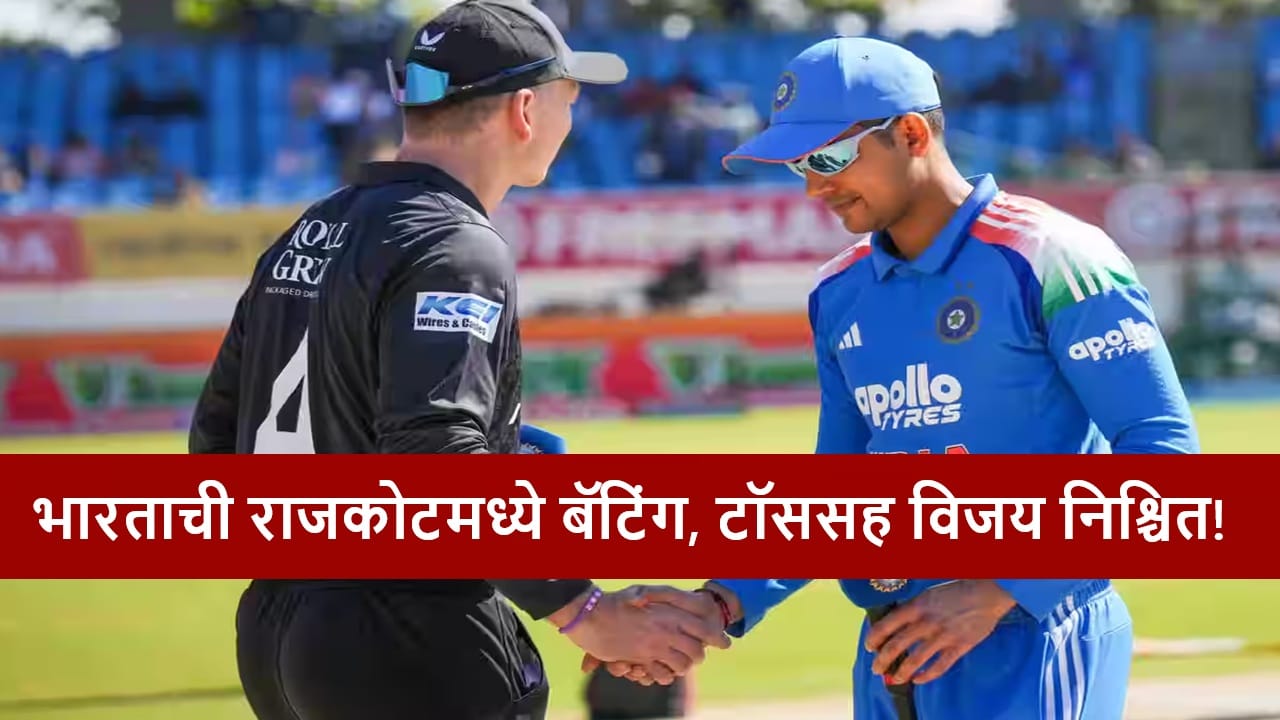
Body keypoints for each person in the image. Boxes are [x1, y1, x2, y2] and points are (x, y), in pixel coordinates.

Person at [585, 36, 1201, 720]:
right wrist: (720, 601)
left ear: (910, 133)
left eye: (828, 158)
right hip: (891, 654)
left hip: (1032, 640)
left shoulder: (1054, 254)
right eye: (799, 165)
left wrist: (999, 589)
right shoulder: (838, 290)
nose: (814, 186)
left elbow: (1165, 459)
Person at [187, 2, 728, 719]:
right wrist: (583, 608)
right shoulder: (454, 244)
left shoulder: (309, 230)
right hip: (406, 634)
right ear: (525, 110)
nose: (573, 120)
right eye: (570, 97)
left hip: (277, 631)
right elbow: (434, 456)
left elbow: (216, 446)